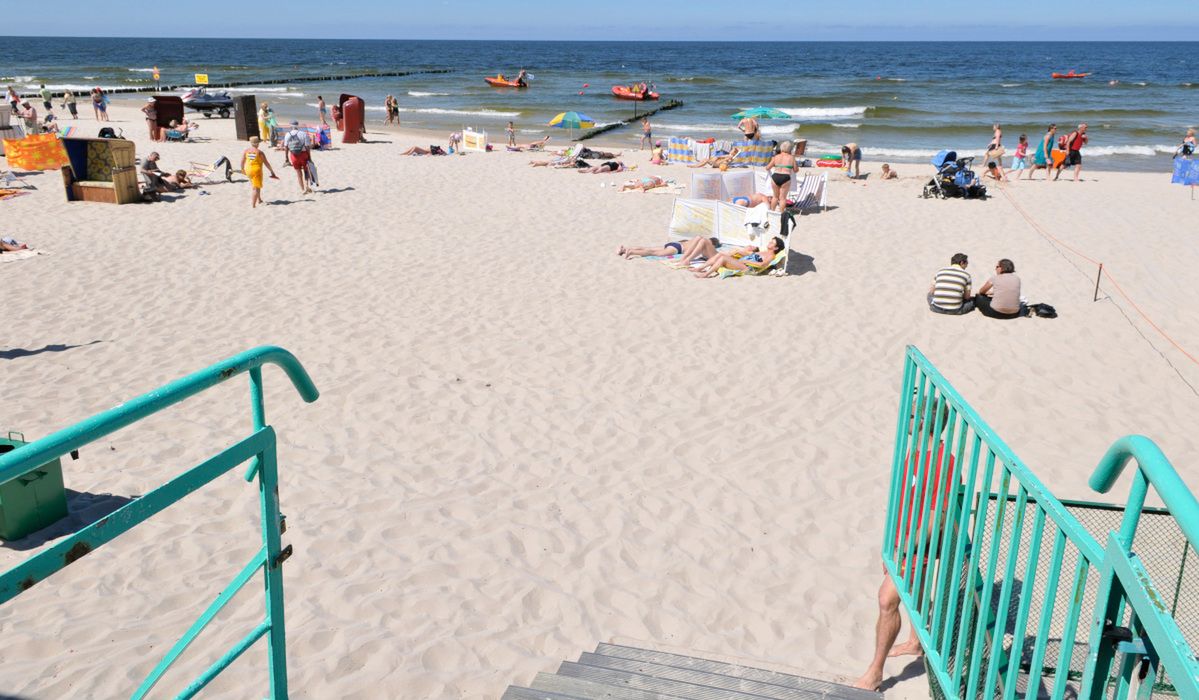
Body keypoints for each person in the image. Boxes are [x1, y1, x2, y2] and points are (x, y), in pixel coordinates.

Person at [853, 395, 954, 692]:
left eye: (910, 415)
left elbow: (939, 512)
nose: (904, 420)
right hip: (902, 538)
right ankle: (915, 641)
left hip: (915, 543)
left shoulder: (940, 461)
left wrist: (912, 543)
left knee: (888, 600)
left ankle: (875, 672)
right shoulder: (917, 452)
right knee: (916, 591)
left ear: (923, 421)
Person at [693, 236, 785, 278]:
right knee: (721, 254)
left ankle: (705, 274)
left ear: (776, 248)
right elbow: (751, 255)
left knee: (722, 258)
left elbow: (762, 264)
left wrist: (746, 262)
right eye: (771, 241)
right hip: (742, 263)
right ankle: (700, 268)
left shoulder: (771, 256)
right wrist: (740, 252)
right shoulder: (764, 251)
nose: (769, 242)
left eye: (772, 243)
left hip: (748, 268)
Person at [240, 136, 278, 208]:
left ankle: (259, 199)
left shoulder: (246, 151)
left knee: (255, 185)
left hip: (248, 170)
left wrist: (242, 170)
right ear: (258, 144)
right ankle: (253, 205)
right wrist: (272, 171)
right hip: (256, 171)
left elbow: (242, 162)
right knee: (256, 187)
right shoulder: (260, 152)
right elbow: (266, 163)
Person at [617, 236, 721, 260]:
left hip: (674, 243)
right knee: (654, 253)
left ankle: (625, 249)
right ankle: (631, 252)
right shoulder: (703, 243)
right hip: (678, 248)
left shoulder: (696, 238)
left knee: (650, 248)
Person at [765, 141, 798, 212]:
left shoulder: (775, 157)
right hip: (785, 177)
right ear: (790, 149)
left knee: (775, 197)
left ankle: (772, 212)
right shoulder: (792, 158)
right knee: (782, 198)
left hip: (775, 176)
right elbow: (795, 170)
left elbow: (767, 168)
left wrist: (777, 165)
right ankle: (781, 214)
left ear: (781, 148)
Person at [282, 121, 313, 194]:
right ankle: (307, 186)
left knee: (298, 173)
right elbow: (307, 147)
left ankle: (302, 189)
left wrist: (286, 158)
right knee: (306, 171)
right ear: (297, 126)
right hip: (304, 154)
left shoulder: (287, 134)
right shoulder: (303, 134)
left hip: (293, 156)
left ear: (291, 126)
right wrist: (310, 157)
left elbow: (286, 147)